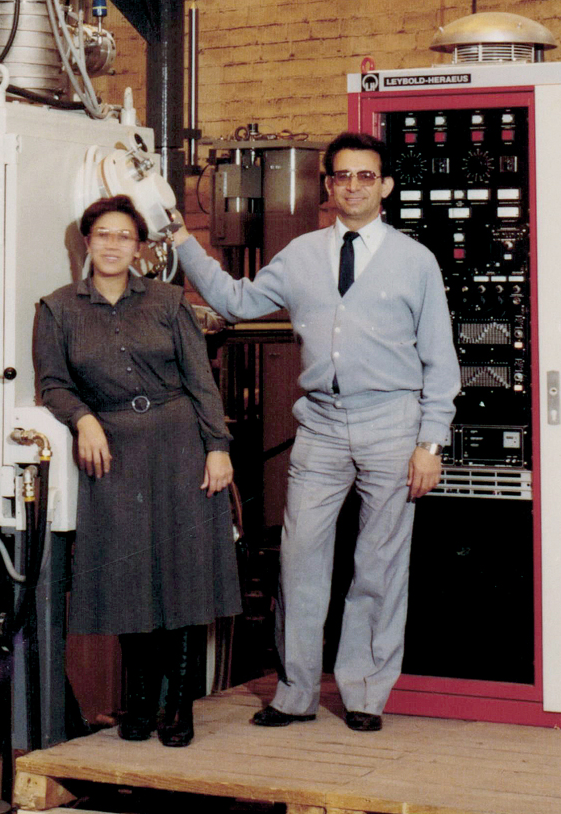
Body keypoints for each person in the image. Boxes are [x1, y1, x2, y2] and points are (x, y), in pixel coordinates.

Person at [172, 131, 460, 732]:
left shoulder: (416, 261)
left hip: (392, 423)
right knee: (300, 559)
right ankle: (296, 693)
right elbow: (235, 301)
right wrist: (182, 244)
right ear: (327, 186)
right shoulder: (301, 254)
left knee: (379, 565)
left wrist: (430, 444)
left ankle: (363, 694)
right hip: (322, 426)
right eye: (342, 176)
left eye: (365, 176)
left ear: (385, 186)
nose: (353, 185)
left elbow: (441, 361)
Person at [35, 195, 241, 748]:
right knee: (128, 578)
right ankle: (142, 701)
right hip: (114, 450)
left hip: (180, 445)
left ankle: (181, 706)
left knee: (184, 573)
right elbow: (54, 384)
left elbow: (201, 380)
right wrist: (83, 420)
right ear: (87, 240)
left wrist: (216, 447)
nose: (111, 244)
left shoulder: (170, 301)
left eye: (123, 236)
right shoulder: (57, 309)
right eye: (102, 234)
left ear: (139, 247)